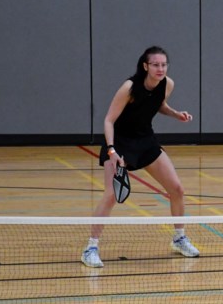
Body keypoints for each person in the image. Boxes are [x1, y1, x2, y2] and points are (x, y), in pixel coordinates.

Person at [81, 46, 199, 268]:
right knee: (111, 196)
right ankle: (91, 247)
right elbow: (109, 120)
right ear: (145, 66)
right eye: (155, 64)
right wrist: (112, 151)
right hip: (119, 141)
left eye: (163, 64)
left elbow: (158, 104)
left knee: (177, 189)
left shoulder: (167, 84)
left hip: (145, 140)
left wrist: (175, 114)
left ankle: (179, 238)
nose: (160, 68)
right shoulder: (129, 87)